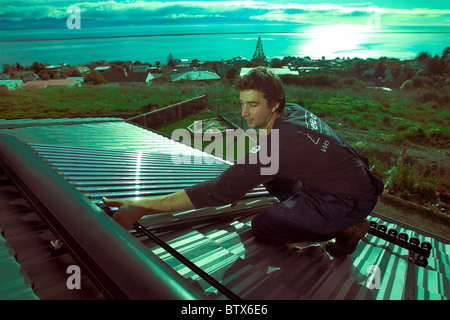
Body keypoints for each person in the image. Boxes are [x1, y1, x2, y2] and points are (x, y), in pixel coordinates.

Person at [103, 67, 384, 257]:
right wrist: (244, 182)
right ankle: (322, 213)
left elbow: (218, 190)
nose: (243, 113)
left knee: (263, 227)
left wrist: (141, 206)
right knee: (259, 177)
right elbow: (273, 164)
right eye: (241, 103)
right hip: (340, 181)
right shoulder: (293, 112)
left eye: (252, 104)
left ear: (274, 104)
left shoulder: (281, 143)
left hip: (346, 200)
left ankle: (349, 226)